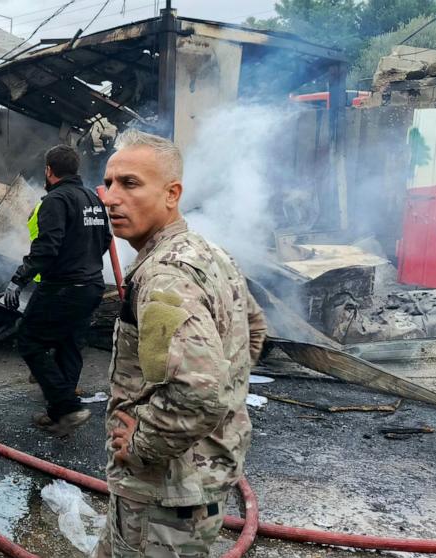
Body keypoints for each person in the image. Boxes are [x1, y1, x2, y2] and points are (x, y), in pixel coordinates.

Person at [94, 129, 266, 557]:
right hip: (200, 473)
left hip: (165, 493)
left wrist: (140, 443)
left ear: (172, 193)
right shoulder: (210, 253)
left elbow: (199, 392)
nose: (112, 197)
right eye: (110, 183)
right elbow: (254, 331)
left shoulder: (165, 275)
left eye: (130, 184)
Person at [2, 145, 112, 435]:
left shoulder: (56, 200)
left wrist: (18, 279)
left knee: (28, 340)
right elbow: (105, 240)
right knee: (70, 343)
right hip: (91, 285)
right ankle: (59, 413)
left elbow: (46, 249)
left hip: (63, 287)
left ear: (49, 170)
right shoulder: (91, 198)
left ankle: (67, 407)